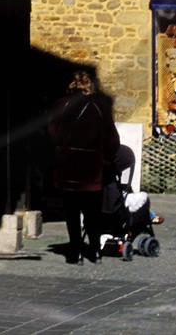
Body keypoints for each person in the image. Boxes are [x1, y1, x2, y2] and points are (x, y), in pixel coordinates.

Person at [48, 70, 120, 263]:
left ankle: (75, 251)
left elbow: (52, 135)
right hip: (92, 167)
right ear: (90, 86)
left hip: (67, 166)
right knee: (92, 212)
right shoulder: (100, 107)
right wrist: (105, 160)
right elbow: (112, 139)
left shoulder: (60, 105)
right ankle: (95, 251)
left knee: (71, 212)